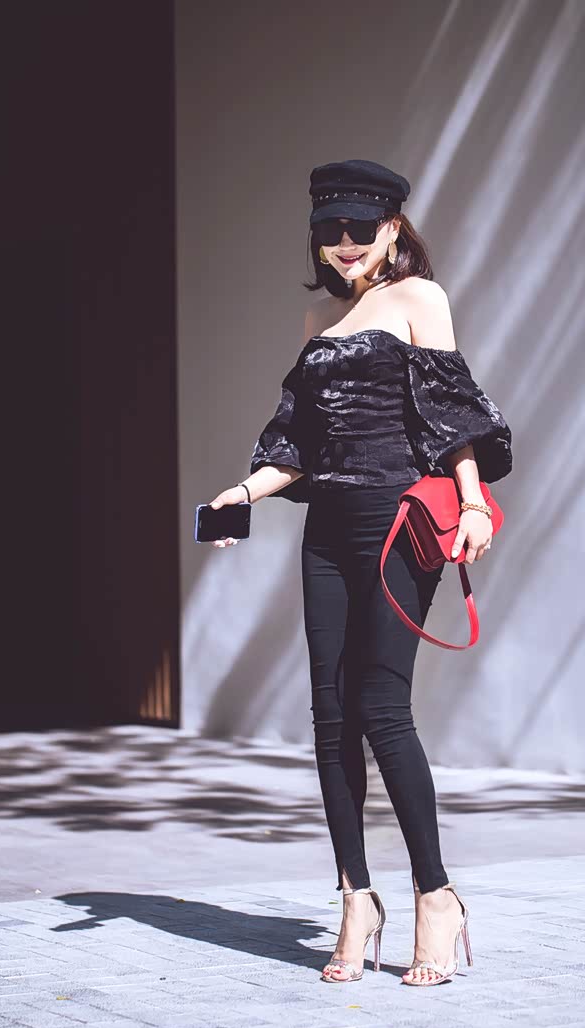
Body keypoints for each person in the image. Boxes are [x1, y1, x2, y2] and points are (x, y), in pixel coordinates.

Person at [209, 159, 513, 986]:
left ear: (392, 228)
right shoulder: (319, 315)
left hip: (395, 524)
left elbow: (451, 413)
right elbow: (298, 441)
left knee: (382, 708)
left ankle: (436, 896)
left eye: (360, 228)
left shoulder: (420, 298)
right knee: (330, 716)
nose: (344, 243)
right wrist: (242, 493)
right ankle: (355, 898)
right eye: (330, 229)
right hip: (327, 530)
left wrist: (473, 502)